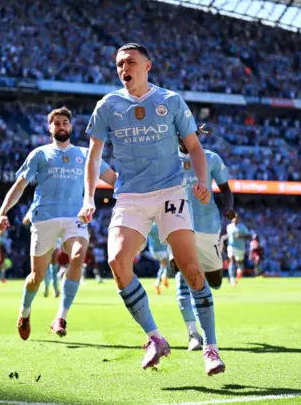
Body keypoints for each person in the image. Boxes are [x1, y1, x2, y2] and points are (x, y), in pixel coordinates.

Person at [79, 43, 220, 373]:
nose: (123, 68)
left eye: (129, 62)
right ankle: (155, 337)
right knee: (117, 260)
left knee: (191, 269)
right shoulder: (107, 105)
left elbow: (196, 148)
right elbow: (94, 157)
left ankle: (211, 348)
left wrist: (202, 181)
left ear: (147, 66)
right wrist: (88, 198)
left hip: (171, 190)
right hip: (130, 195)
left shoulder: (169, 101)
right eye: (118, 64)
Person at [0, 107, 116, 340]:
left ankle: (60, 316)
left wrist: (141, 188)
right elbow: (20, 186)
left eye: (65, 123)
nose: (61, 126)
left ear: (71, 127)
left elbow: (112, 179)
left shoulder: (85, 154)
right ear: (49, 128)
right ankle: (25, 312)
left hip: (75, 218)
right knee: (36, 277)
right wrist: (2, 212)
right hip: (44, 219)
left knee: (79, 255)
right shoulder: (40, 154)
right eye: (56, 123)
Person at [168, 128, 234, 373]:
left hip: (208, 228)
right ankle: (194, 334)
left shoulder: (211, 158)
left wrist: (227, 208)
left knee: (213, 281)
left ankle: (202, 322)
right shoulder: (167, 160)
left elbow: (225, 189)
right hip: (177, 224)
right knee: (182, 276)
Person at [226, 216, 251, 286]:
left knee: (239, 263)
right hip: (231, 246)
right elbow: (228, 236)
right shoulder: (229, 227)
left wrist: (241, 236)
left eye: (236, 218)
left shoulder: (242, 227)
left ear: (238, 219)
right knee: (232, 260)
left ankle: (238, 274)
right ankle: (232, 279)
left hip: (240, 248)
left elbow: (249, 236)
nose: (235, 219)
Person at [147, 224, 169, 295]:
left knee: (163, 265)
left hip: (154, 250)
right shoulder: (161, 225)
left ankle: (157, 281)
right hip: (160, 250)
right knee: (166, 265)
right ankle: (164, 275)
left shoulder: (151, 226)